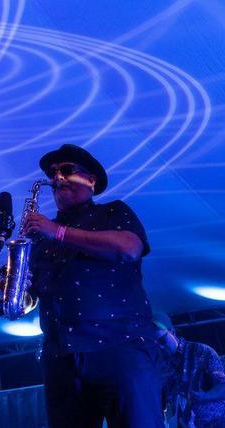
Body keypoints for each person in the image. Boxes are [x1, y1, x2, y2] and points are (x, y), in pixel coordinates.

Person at [24, 144, 162, 427]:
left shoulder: (113, 212)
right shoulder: (42, 238)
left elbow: (129, 248)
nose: (57, 177)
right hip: (61, 357)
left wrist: (58, 232)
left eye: (66, 170)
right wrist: (17, 287)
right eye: (53, 173)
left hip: (120, 346)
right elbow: (32, 300)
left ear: (91, 180)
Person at [153, 313, 225, 428]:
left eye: (162, 340)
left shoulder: (201, 351)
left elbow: (223, 387)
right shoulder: (160, 365)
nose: (160, 347)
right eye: (154, 345)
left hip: (213, 423)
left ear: (172, 332)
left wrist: (204, 396)